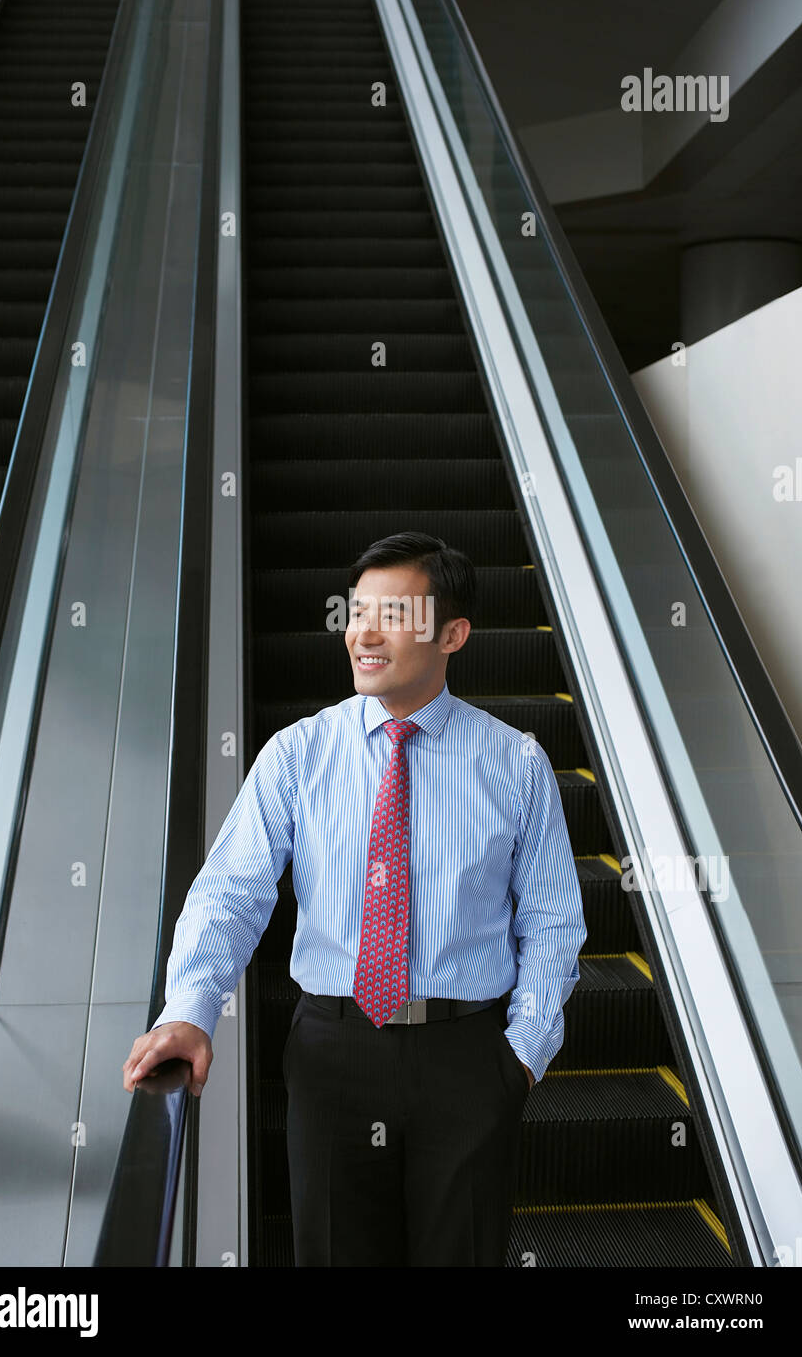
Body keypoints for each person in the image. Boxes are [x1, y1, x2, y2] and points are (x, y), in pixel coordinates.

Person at [123, 531, 587, 1266]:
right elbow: (230, 894)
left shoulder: (516, 762)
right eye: (356, 611)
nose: (364, 633)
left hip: (468, 1056)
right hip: (334, 1052)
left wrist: (522, 1054)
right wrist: (189, 1011)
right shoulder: (299, 753)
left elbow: (555, 922)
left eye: (394, 614)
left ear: (453, 634)